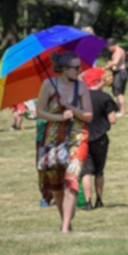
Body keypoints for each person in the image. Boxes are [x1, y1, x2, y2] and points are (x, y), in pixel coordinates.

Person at [36, 51, 93, 232]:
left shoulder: (82, 87)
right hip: (53, 139)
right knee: (57, 186)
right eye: (76, 68)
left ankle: (65, 227)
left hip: (78, 137)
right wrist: (60, 117)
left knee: (71, 179)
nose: (79, 70)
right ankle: (66, 220)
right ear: (64, 69)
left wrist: (72, 109)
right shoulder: (48, 84)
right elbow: (40, 112)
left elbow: (89, 116)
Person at [80, 67, 118, 210]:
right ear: (98, 81)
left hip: (84, 137)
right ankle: (99, 200)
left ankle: (88, 202)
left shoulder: (81, 97)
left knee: (86, 171)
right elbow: (112, 119)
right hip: (101, 137)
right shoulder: (105, 97)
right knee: (99, 171)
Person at [105, 38, 128, 116]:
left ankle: (122, 111)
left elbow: (116, 62)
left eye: (108, 47)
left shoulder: (119, 51)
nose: (108, 49)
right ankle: (119, 109)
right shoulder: (113, 52)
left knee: (119, 92)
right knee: (116, 92)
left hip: (120, 73)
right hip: (116, 72)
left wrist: (107, 66)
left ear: (113, 45)